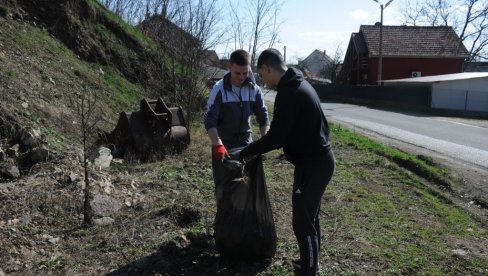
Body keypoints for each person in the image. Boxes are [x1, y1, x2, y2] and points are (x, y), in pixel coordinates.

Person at [239, 48, 335, 275]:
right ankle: (310, 263)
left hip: (313, 165)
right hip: (317, 161)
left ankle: (309, 270)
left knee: (302, 221)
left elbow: (276, 137)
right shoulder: (299, 83)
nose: (263, 80)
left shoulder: (289, 93)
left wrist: (247, 152)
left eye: (262, 75)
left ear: (266, 68)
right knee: (308, 217)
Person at [204, 48, 269, 167]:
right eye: (237, 73)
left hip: (246, 144)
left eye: (245, 73)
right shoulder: (219, 90)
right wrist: (217, 144)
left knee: (248, 182)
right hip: (223, 144)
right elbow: (210, 120)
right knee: (225, 184)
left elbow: (263, 118)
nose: (241, 77)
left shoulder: (254, 90)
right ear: (230, 67)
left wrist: (265, 140)